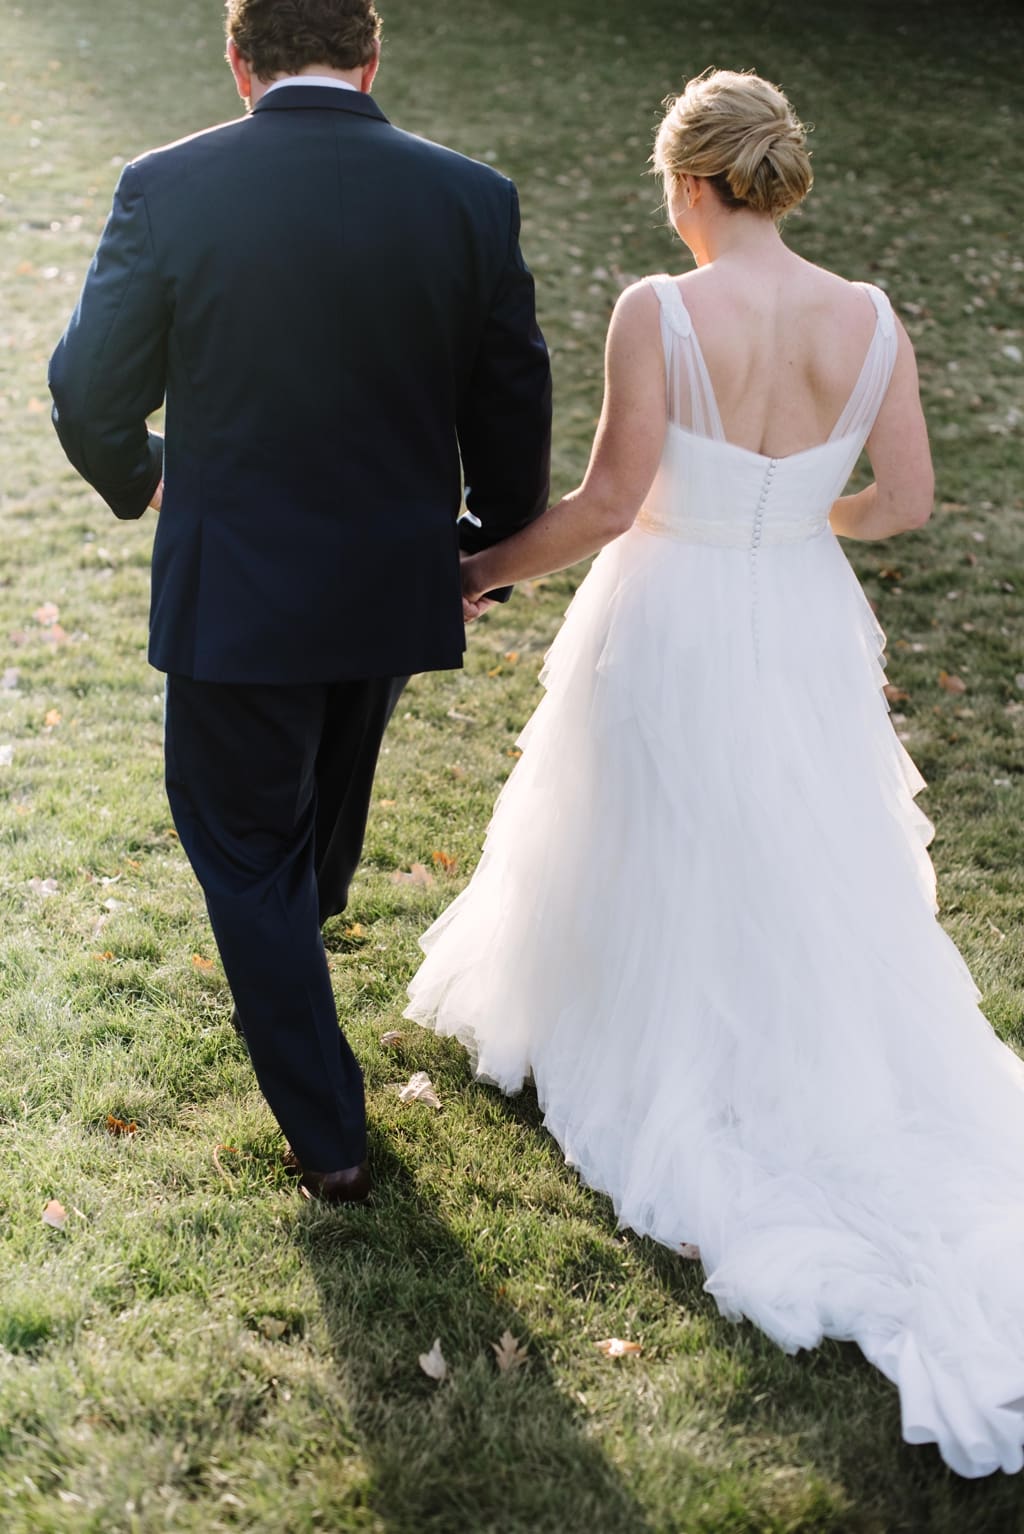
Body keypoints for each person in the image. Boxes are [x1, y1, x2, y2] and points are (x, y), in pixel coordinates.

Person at [406, 70, 1024, 1478]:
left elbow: (614, 503)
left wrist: (480, 568)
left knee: (658, 830)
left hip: (675, 606)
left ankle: (668, 1043)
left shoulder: (660, 309)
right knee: (797, 837)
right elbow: (912, 501)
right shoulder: (868, 318)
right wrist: (805, 516)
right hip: (799, 606)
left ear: (690, 183)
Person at [48, 0, 552, 1204]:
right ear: (372, 57)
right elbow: (514, 396)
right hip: (388, 581)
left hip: (238, 589)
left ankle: (328, 1135)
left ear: (238, 63)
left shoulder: (168, 186)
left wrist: (145, 473)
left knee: (247, 848)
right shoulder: (469, 196)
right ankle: (297, 985)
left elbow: (85, 386)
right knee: (303, 842)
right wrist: (481, 540)